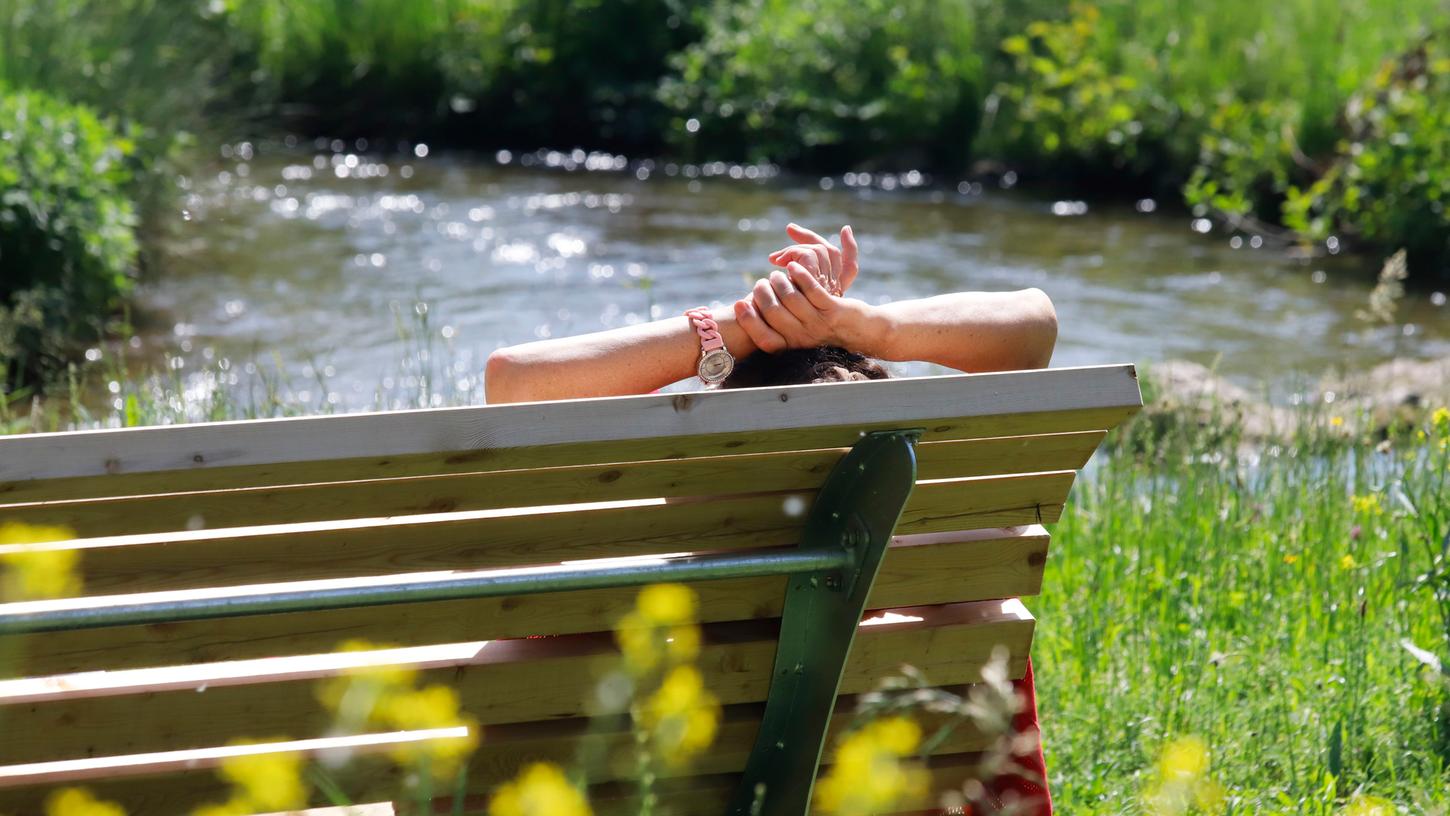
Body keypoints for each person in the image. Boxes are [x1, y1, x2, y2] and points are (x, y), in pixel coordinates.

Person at [484, 223, 1058, 815]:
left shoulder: (665, 514)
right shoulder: (927, 542)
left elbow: (515, 381)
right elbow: (1034, 325)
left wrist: (731, 330)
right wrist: (857, 324)